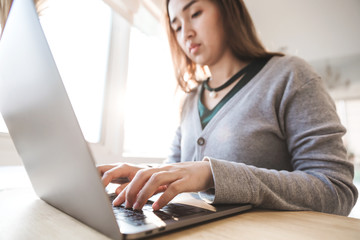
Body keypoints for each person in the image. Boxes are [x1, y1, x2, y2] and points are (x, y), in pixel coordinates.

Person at [99, 0, 358, 216]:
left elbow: (336, 189)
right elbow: (176, 167)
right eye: (176, 26)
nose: (185, 33)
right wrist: (146, 176)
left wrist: (213, 175)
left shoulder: (290, 76)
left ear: (228, 9)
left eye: (195, 13)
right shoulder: (191, 101)